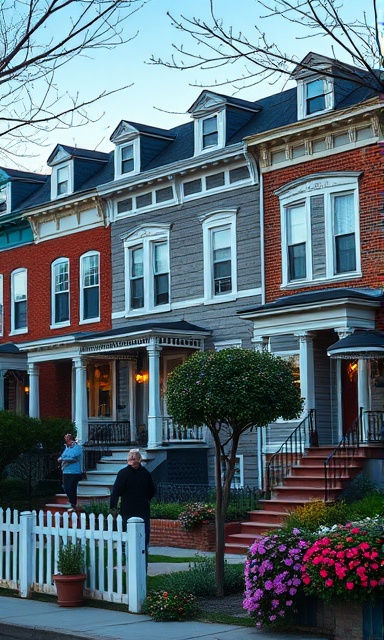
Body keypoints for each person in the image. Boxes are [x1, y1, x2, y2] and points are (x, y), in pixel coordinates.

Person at [110, 449, 156, 560]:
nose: (133, 459)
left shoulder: (124, 473)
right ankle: (140, 558)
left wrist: (113, 508)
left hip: (129, 510)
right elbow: (152, 491)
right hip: (141, 510)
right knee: (142, 536)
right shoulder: (145, 473)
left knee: (128, 536)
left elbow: (116, 492)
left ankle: (129, 558)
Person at [58, 433, 83, 513]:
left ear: (71, 439)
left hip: (74, 471)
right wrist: (62, 458)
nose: (66, 441)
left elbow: (74, 457)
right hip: (65, 470)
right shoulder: (66, 448)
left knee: (72, 487)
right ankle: (71, 501)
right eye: (66, 439)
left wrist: (64, 459)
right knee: (65, 487)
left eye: (67, 439)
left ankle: (73, 504)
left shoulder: (77, 448)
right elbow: (62, 456)